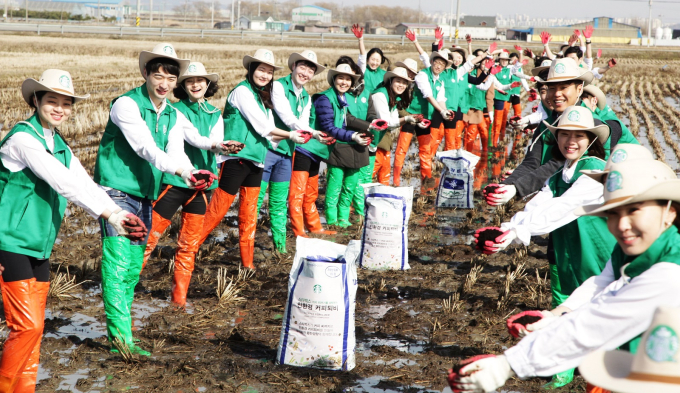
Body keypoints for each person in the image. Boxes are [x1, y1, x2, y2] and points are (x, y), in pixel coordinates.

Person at [450, 145, 680, 393]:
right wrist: (557, 315)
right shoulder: (636, 249)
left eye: (635, 209)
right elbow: (605, 283)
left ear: (670, 211)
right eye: (613, 213)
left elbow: (598, 322)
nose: (622, 225)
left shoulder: (670, 271)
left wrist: (509, 365)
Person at [0, 69, 146, 390]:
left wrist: (118, 213)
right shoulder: (24, 139)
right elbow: (63, 183)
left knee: (34, 330)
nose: (60, 109)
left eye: (66, 104)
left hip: (38, 247)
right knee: (25, 327)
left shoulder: (61, 145)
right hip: (8, 244)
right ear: (35, 99)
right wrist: (112, 215)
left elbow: (84, 184)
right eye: (52, 101)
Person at [476, 106, 616, 389]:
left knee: (599, 320)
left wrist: (518, 231)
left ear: (591, 140)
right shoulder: (557, 177)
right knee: (562, 304)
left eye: (579, 135)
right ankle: (563, 366)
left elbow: (562, 209)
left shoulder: (595, 172)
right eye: (564, 134)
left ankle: (597, 375)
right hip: (567, 254)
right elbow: (536, 207)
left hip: (598, 256)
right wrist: (504, 233)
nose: (570, 141)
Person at [95, 43, 220, 355]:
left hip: (145, 193)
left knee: (134, 266)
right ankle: (121, 342)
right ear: (146, 74)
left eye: (170, 77)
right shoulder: (126, 105)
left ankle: (122, 335)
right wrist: (179, 169)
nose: (164, 83)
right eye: (158, 75)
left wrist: (191, 173)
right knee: (118, 263)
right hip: (116, 191)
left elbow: (176, 152)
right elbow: (145, 148)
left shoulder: (173, 114)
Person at [197, 49, 309, 269]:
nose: (265, 75)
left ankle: (247, 264)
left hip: (256, 161)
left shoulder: (262, 97)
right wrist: (290, 135)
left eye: (269, 72)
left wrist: (301, 135)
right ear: (251, 70)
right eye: (261, 70)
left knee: (249, 214)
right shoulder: (242, 92)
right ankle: (189, 249)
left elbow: (269, 134)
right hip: (236, 159)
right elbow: (263, 127)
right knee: (217, 210)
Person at [141, 61, 239, 307]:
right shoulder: (175, 111)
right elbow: (195, 140)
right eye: (190, 81)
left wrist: (222, 145)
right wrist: (218, 145)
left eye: (201, 81)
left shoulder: (215, 114)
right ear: (183, 86)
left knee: (189, 245)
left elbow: (215, 141)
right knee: (149, 239)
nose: (196, 85)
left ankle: (178, 301)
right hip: (174, 182)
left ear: (208, 85)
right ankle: (124, 288)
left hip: (202, 188)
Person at [263, 50, 329, 253]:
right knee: (256, 201)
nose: (306, 73)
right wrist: (309, 131)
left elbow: (304, 121)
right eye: (303, 67)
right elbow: (286, 116)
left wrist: (315, 133)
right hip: (267, 149)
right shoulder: (278, 87)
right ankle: (246, 250)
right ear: (293, 67)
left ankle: (280, 247)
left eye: (310, 70)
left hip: (285, 151)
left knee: (278, 201)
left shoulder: (306, 98)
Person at [315, 63, 374, 227]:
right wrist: (354, 135)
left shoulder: (345, 97)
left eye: (348, 79)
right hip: (337, 147)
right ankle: (332, 220)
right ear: (334, 79)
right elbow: (329, 127)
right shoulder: (325, 98)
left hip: (353, 145)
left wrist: (368, 128)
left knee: (350, 186)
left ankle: (343, 217)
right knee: (334, 186)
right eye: (341, 77)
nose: (344, 82)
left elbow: (347, 119)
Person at [368, 67, 415, 185]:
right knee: (368, 174)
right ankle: (354, 203)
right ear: (391, 81)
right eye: (398, 81)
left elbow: (394, 121)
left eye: (404, 83)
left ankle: (383, 199)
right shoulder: (380, 95)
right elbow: (386, 123)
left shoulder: (393, 97)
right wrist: (406, 119)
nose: (401, 85)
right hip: (374, 141)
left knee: (385, 174)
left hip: (383, 141)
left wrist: (409, 119)